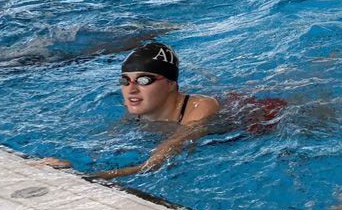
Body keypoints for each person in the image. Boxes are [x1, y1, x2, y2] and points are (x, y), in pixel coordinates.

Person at [37, 43, 232, 179]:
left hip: (247, 120)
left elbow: (154, 163)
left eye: (144, 80)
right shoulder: (135, 109)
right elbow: (103, 147)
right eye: (125, 80)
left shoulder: (201, 109)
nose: (131, 90)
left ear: (172, 84)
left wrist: (86, 176)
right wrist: (68, 164)